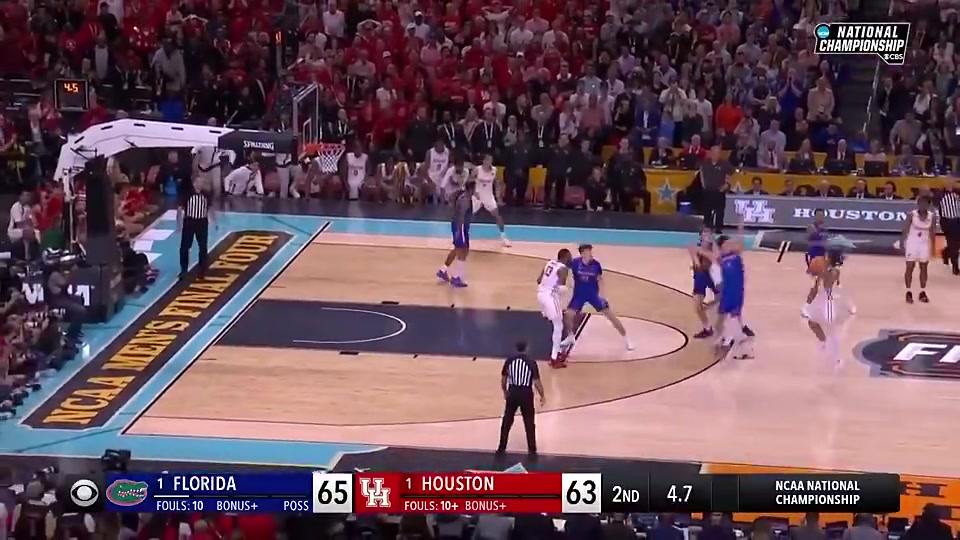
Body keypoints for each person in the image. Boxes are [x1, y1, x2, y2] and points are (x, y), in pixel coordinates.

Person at [563, 244, 634, 360]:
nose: (591, 254)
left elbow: (600, 280)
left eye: (591, 251)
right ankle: (570, 336)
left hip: (593, 295)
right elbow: (564, 268)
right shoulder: (575, 263)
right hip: (579, 295)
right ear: (582, 253)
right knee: (568, 314)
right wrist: (567, 285)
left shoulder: (596, 265)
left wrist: (602, 295)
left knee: (611, 316)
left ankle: (627, 338)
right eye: (588, 251)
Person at [802, 249, 852, 367]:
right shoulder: (824, 270)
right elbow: (815, 288)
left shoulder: (834, 272)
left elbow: (827, 284)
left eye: (827, 257)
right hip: (821, 300)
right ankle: (823, 342)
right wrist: (808, 302)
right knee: (812, 323)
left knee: (831, 331)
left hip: (828, 302)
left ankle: (837, 358)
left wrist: (820, 271)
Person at [495, 340, 545, 460]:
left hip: (513, 392)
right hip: (526, 393)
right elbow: (536, 382)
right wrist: (542, 395)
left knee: (507, 421)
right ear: (526, 348)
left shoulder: (509, 361)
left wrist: (505, 391)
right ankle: (532, 449)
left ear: (516, 348)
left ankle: (501, 447)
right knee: (529, 422)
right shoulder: (531, 362)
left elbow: (503, 379)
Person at [537, 248, 573, 367]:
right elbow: (560, 288)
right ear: (565, 258)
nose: (571, 259)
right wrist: (569, 288)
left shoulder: (549, 263)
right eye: (570, 257)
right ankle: (554, 358)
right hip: (550, 297)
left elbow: (539, 280)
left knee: (555, 322)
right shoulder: (563, 269)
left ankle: (556, 352)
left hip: (540, 295)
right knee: (558, 326)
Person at [436, 180, 475, 288]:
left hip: (460, 226)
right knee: (463, 250)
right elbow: (461, 216)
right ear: (471, 189)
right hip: (460, 226)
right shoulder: (465, 200)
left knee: (458, 249)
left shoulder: (466, 197)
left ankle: (443, 270)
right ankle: (457, 277)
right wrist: (459, 231)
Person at [901, 195, 936, 303]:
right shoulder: (912, 214)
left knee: (924, 268)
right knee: (910, 267)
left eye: (925, 203)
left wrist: (933, 247)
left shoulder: (932, 216)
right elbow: (905, 229)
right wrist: (902, 242)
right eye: (921, 203)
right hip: (912, 242)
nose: (922, 205)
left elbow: (932, 232)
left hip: (924, 244)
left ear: (928, 205)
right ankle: (908, 291)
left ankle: (922, 291)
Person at [178, 176, 215, 279]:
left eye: (201, 182)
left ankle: (202, 269)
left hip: (202, 222)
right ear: (194, 183)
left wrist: (213, 221)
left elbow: (210, 208)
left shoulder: (206, 195)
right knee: (185, 247)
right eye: (198, 182)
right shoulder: (187, 194)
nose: (200, 184)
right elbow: (180, 209)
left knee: (203, 247)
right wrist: (179, 224)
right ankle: (184, 270)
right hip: (189, 222)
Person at [472, 153, 511, 247]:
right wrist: (474, 192)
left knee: (497, 215)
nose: (489, 162)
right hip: (477, 196)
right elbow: (470, 181)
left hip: (488, 196)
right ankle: (459, 236)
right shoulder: (477, 169)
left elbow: (497, 182)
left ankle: (504, 237)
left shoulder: (494, 170)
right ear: (484, 161)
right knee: (467, 215)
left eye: (491, 160)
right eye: (488, 160)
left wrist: (498, 195)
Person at [689, 227, 719, 339]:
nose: (707, 237)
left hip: (713, 276)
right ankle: (707, 328)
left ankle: (731, 328)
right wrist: (695, 262)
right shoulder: (695, 247)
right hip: (700, 276)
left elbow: (715, 258)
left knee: (722, 300)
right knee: (697, 304)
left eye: (709, 235)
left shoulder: (714, 248)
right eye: (704, 235)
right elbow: (696, 262)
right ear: (700, 237)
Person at [805, 208, 827, 273]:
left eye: (822, 215)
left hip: (822, 252)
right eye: (818, 215)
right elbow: (809, 239)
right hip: (814, 252)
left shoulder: (825, 227)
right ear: (815, 216)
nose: (820, 217)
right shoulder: (811, 227)